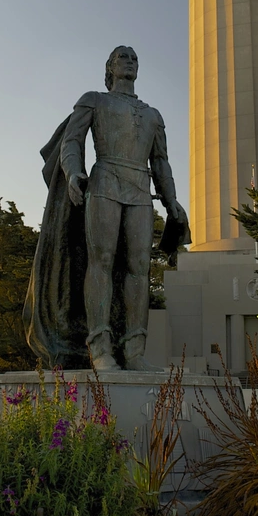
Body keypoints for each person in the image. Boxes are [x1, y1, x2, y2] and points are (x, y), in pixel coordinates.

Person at [24, 46, 189, 370]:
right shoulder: (94, 100)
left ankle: (134, 350)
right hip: (105, 184)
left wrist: (171, 201)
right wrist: (73, 173)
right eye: (122, 56)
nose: (130, 60)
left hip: (140, 190)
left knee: (139, 268)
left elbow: (160, 162)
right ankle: (100, 348)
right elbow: (72, 141)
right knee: (100, 262)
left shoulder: (153, 114)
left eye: (134, 58)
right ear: (110, 67)